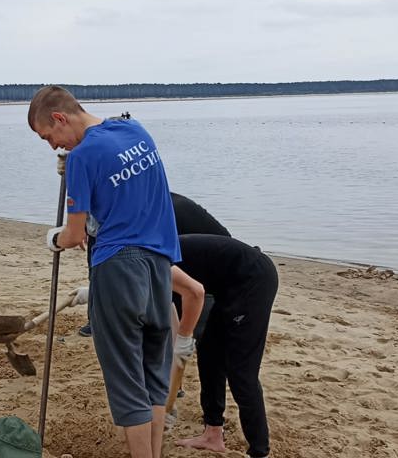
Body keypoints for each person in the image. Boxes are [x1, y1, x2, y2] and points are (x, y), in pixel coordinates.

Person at [29, 85, 180, 458]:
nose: (54, 147)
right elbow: (124, 198)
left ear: (60, 118)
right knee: (154, 375)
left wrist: (55, 239)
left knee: (127, 379)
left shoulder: (82, 158)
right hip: (161, 265)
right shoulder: (137, 132)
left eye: (49, 136)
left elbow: (75, 233)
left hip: (117, 269)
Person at [172, 234, 279, 458]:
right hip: (226, 286)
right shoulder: (144, 260)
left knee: (241, 373)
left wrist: (182, 339)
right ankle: (213, 434)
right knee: (209, 355)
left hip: (253, 278)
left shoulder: (153, 263)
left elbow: (195, 295)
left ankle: (260, 452)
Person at [79, 191, 230, 338]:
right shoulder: (127, 208)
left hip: (207, 265)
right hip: (176, 249)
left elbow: (152, 269)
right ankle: (98, 317)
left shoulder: (162, 214)